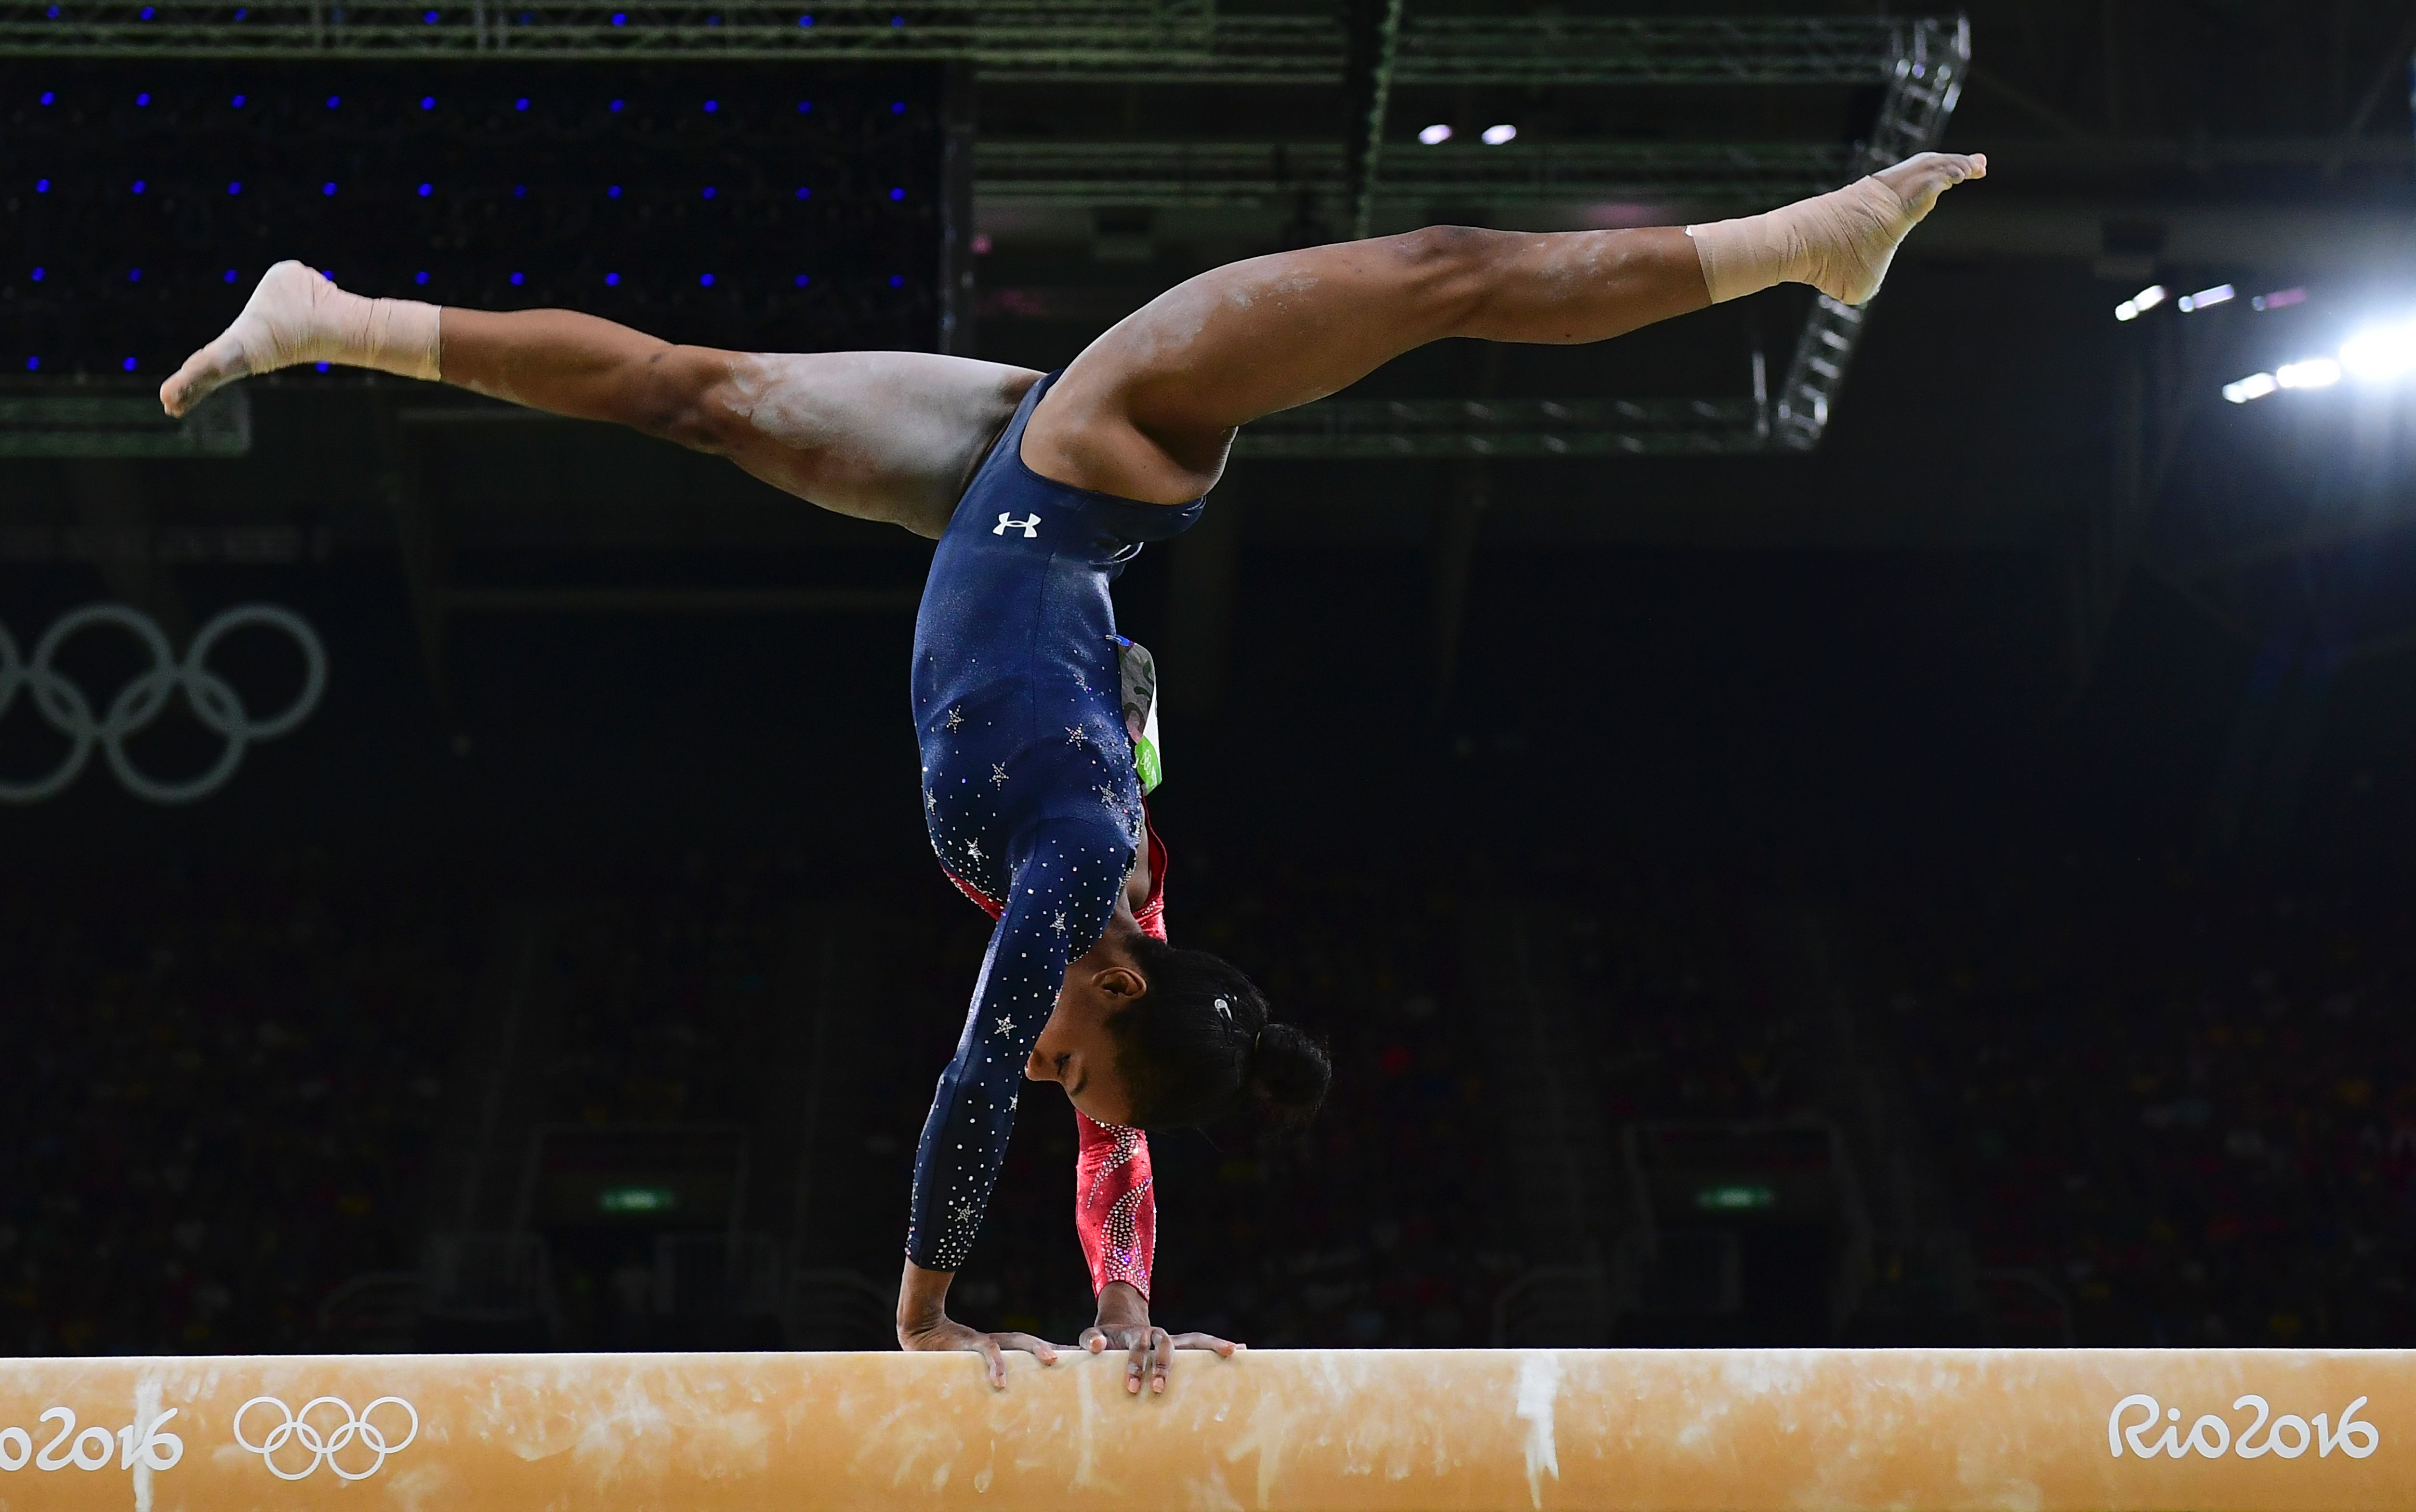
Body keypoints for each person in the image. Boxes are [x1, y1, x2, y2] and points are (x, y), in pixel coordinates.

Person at [161, 148, 1986, 1387]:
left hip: (989, 487)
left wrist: (1127, 1308)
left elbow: (1106, 1142)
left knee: (690, 396)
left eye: (1061, 1066)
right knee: (1441, 277)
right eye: (1074, 1049)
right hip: (1103, 449)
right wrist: (927, 1319)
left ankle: (332, 315)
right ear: (1109, 978)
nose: (1044, 1060)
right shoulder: (1073, 876)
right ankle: (1804, 243)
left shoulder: (1115, 915)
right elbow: (977, 1083)